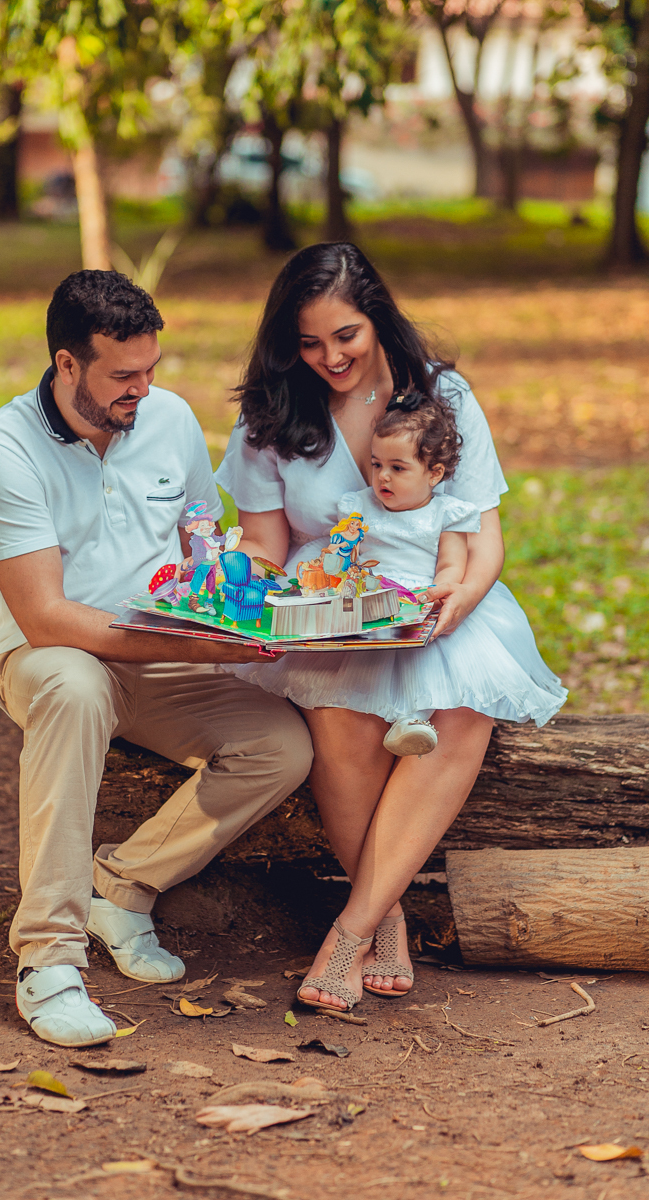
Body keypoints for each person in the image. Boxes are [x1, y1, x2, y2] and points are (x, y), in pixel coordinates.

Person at [0, 270, 312, 1048]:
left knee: (281, 745)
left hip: (158, 652)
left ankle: (122, 886)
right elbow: (46, 615)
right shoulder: (5, 448)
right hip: (49, 657)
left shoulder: (171, 418)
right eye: (124, 375)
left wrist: (235, 606)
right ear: (66, 365)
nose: (143, 389)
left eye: (151, 369)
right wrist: (180, 643)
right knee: (78, 689)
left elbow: (201, 537)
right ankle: (48, 958)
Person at [215, 242, 566, 1013]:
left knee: (461, 712)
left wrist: (456, 605)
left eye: (344, 336)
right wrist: (239, 584)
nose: (328, 357)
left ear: (376, 317)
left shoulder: (440, 396)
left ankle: (349, 929)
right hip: (331, 599)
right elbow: (266, 543)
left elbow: (483, 534)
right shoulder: (273, 409)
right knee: (340, 727)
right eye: (308, 343)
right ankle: (386, 918)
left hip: (440, 592)